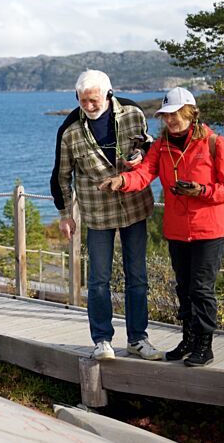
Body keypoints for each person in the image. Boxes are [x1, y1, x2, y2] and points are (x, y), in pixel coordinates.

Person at [100, 87, 224, 367]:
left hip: (209, 230)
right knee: (184, 288)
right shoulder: (162, 146)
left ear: (191, 113)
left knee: (201, 289)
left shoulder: (216, 144)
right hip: (177, 229)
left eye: (176, 114)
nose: (171, 120)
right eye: (166, 115)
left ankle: (204, 345)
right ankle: (188, 339)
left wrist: (200, 190)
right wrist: (122, 181)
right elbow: (145, 172)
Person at [50, 69, 163, 361]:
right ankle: (102, 341)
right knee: (99, 280)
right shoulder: (69, 130)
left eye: (94, 100)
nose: (88, 107)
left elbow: (150, 147)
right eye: (83, 101)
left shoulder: (134, 113)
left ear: (108, 94)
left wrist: (141, 155)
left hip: (135, 206)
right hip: (97, 213)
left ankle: (138, 339)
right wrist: (65, 214)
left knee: (137, 277)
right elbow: (61, 176)